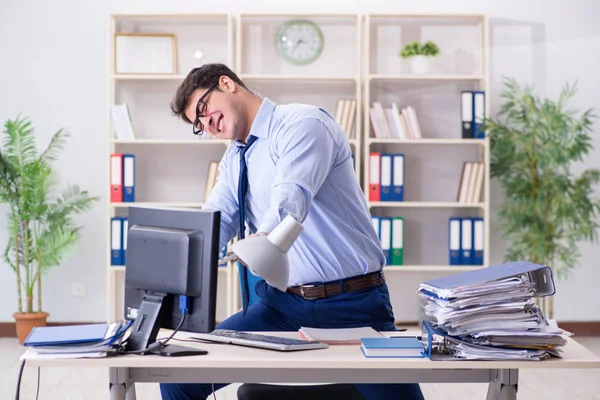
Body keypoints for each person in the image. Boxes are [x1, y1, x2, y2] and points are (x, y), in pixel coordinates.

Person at [162, 63, 424, 400]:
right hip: (279, 308)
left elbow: (291, 197)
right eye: (198, 124)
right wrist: (176, 269)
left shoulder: (303, 124)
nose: (206, 123)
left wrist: (264, 241)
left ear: (226, 84)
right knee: (180, 376)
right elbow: (216, 220)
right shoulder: (234, 160)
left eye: (203, 108)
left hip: (352, 305)